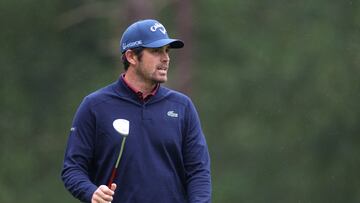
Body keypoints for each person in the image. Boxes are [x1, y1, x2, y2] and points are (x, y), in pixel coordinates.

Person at [61, 19, 211, 203]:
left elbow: (198, 171)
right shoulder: (95, 106)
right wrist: (91, 192)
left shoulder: (182, 106)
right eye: (156, 51)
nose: (166, 58)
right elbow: (73, 169)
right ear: (131, 57)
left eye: (167, 51)